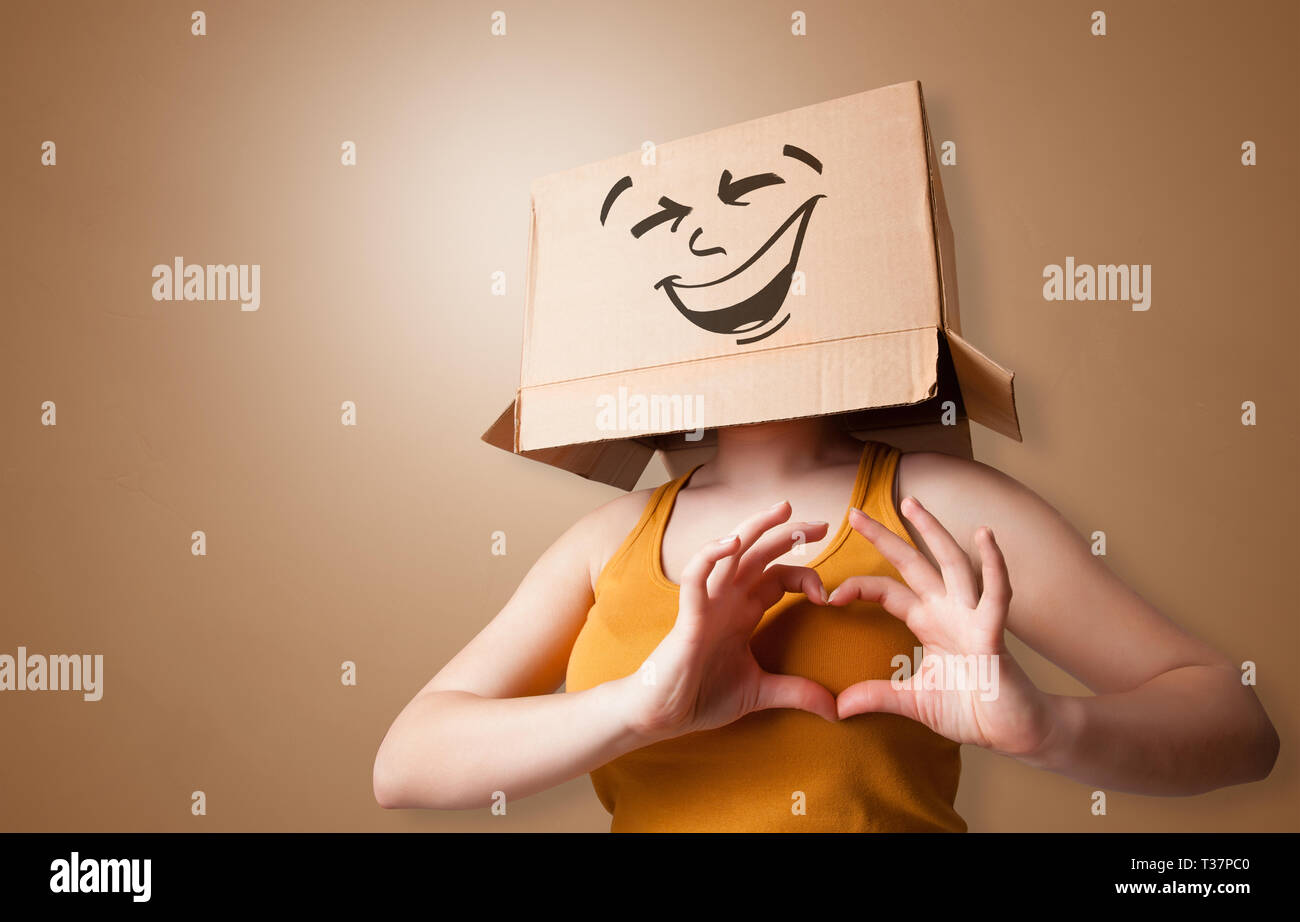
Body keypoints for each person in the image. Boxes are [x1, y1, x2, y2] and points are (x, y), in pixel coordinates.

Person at [371, 415, 1279, 831]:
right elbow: (406, 763)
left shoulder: (943, 506)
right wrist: (639, 705)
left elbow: (1238, 728)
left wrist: (1048, 727)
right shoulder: (609, 535)